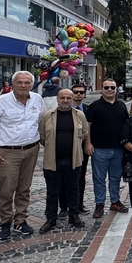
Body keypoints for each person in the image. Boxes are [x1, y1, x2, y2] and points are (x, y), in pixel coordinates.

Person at [0, 71, 45, 240]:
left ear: (32, 84)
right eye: (19, 82)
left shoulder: (37, 100)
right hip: (8, 152)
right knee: (7, 189)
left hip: (31, 150)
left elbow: (42, 122)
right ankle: (5, 222)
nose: (23, 85)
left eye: (27, 82)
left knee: (24, 188)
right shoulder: (1, 102)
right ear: (13, 84)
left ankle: (21, 220)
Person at [38, 89, 88, 234]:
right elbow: (42, 137)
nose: (65, 100)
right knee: (52, 191)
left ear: (72, 99)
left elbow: (85, 133)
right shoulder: (48, 116)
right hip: (52, 160)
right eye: (62, 98)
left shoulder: (80, 116)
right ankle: (51, 218)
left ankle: (74, 215)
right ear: (57, 99)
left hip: (74, 160)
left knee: (73, 189)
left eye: (68, 98)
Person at [84, 78, 130, 218]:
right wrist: (88, 143)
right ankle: (99, 204)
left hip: (118, 149)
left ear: (116, 89)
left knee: (115, 178)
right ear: (102, 89)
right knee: (99, 179)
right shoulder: (94, 106)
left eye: (112, 87)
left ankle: (115, 201)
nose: (109, 90)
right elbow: (88, 126)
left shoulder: (121, 106)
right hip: (99, 149)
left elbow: (126, 126)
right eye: (106, 87)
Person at [58, 84, 91, 217]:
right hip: (63, 149)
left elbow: (88, 130)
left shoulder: (88, 110)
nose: (78, 94)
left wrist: (88, 144)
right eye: (76, 92)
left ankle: (78, 204)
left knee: (80, 177)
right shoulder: (61, 110)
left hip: (81, 149)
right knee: (62, 178)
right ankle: (63, 206)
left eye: (81, 92)